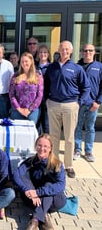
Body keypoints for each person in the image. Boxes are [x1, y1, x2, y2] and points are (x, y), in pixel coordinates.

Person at [44, 40, 90, 178]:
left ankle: (69, 165)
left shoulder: (77, 68)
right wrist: (47, 101)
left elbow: (86, 87)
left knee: (69, 137)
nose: (64, 51)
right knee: (54, 136)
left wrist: (79, 103)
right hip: (53, 104)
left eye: (66, 49)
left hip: (71, 105)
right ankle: (55, 164)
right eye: (62, 48)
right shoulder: (52, 67)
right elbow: (46, 86)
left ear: (70, 51)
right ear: (58, 49)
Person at [13, 133, 67, 230]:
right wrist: (27, 190)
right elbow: (16, 174)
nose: (42, 148)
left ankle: (35, 220)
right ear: (35, 146)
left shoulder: (57, 164)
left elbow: (61, 185)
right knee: (24, 179)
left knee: (49, 185)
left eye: (45, 146)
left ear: (50, 148)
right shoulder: (31, 161)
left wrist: (38, 192)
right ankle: (44, 218)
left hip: (55, 200)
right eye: (39, 145)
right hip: (34, 199)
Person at [74, 44, 102, 163]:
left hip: (93, 103)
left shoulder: (99, 67)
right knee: (78, 126)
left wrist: (98, 101)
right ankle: (77, 149)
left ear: (94, 52)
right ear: (82, 52)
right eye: (85, 50)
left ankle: (89, 151)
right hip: (79, 102)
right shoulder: (76, 66)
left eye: (90, 50)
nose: (88, 53)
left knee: (90, 127)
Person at [9, 52, 43, 124]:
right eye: (22, 62)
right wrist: (19, 109)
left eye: (26, 61)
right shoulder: (15, 76)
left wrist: (29, 110)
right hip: (17, 111)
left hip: (32, 112)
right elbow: (11, 95)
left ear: (31, 62)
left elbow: (39, 95)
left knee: (31, 133)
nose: (24, 63)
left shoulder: (38, 76)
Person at [36, 45, 51, 134]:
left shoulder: (52, 67)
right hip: (36, 99)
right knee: (37, 121)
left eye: (45, 52)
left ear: (48, 54)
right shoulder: (33, 67)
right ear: (38, 54)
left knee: (46, 123)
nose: (43, 54)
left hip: (47, 98)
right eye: (41, 52)